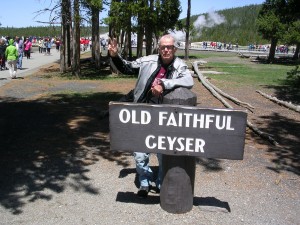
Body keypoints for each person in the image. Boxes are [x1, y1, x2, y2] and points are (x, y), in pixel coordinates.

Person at [108, 34, 194, 198]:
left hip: (165, 117)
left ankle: (161, 181)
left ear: (175, 49)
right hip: (142, 113)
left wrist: (164, 83)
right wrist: (115, 56)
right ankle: (144, 181)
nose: (166, 50)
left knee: (163, 153)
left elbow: (189, 81)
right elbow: (127, 67)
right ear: (158, 48)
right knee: (140, 152)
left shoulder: (179, 66)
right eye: (163, 47)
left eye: (169, 47)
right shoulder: (148, 61)